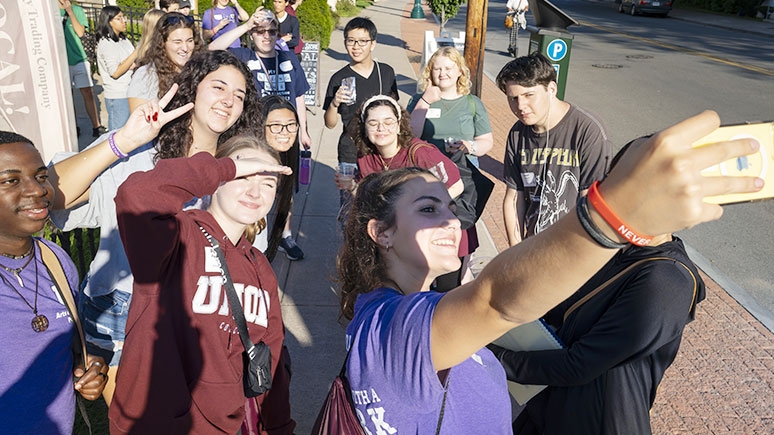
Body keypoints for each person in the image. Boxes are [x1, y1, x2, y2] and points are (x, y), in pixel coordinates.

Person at [336, 109, 763, 433]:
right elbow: (496, 300)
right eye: (428, 209)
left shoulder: (399, 310)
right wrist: (614, 214)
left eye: (450, 207)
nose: (451, 221)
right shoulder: (398, 328)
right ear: (382, 233)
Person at [49, 50, 261, 406]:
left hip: (200, 312)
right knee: (135, 420)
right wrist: (122, 142)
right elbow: (57, 195)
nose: (228, 100)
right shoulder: (141, 151)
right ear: (192, 88)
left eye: (239, 96)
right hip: (124, 308)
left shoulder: (238, 167)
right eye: (219, 87)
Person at [487, 138, 707, 434]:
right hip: (549, 408)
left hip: (598, 422)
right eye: (619, 181)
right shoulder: (613, 249)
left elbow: (580, 364)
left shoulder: (666, 282)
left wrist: (496, 358)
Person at [112, 134, 291, 434]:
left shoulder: (261, 269)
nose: (255, 191)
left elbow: (271, 359)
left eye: (268, 184)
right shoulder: (175, 236)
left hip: (221, 426)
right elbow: (135, 195)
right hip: (152, 424)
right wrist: (222, 168)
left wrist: (279, 427)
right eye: (244, 176)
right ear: (219, 178)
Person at [0, 131, 108, 433]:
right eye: (11, 180)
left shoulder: (56, 261)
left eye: (41, 176)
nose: (37, 190)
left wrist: (87, 369)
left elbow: (63, 349)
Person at [336, 95, 472, 274]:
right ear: (364, 127)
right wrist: (352, 187)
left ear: (399, 125)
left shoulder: (420, 153)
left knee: (446, 295)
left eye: (388, 122)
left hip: (438, 236)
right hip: (399, 242)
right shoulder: (365, 157)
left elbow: (456, 186)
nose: (381, 128)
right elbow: (369, 200)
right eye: (373, 123)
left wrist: (419, 213)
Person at [497, 53, 612, 245]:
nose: (520, 106)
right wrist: (515, 253)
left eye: (528, 95)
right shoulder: (517, 134)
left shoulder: (587, 130)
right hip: (534, 247)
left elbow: (592, 204)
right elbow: (513, 197)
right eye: (513, 98)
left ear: (551, 89)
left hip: (575, 249)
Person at [323, 17, 398, 214]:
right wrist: (334, 102)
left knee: (383, 210)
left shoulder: (386, 72)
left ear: (373, 43)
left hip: (380, 151)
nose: (356, 46)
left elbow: (395, 111)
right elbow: (330, 123)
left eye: (362, 41)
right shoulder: (338, 78)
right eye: (350, 40)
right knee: (351, 212)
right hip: (351, 152)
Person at [209, 9, 312, 149]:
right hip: (255, 136)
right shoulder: (244, 57)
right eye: (260, 31)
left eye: (272, 32)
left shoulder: (288, 58)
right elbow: (212, 49)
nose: (266, 36)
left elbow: (299, 96)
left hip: (285, 132)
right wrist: (246, 26)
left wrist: (304, 131)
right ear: (251, 35)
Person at [408, 46, 493, 168]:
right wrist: (425, 101)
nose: (442, 73)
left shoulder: (473, 103)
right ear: (431, 71)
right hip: (428, 167)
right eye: (437, 69)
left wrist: (468, 146)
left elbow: (486, 141)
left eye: (448, 68)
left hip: (464, 169)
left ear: (460, 71)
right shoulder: (418, 100)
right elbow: (410, 136)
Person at [128, 12, 205, 112]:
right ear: (162, 43)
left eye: (189, 40)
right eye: (177, 42)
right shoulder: (146, 76)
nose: (185, 48)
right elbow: (138, 123)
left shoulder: (197, 70)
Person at [260, 95, 304, 261]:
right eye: (276, 126)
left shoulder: (285, 158)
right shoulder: (251, 164)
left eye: (291, 125)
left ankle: (285, 237)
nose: (285, 132)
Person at [59, 0, 107, 138]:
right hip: (62, 60)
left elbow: (80, 32)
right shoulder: (51, 13)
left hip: (79, 58)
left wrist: (70, 11)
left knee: (88, 93)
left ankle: (96, 126)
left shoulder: (77, 10)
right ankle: (74, 126)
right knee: (68, 96)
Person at [96, 6, 138, 131]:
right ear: (109, 21)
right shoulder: (106, 43)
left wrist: (130, 63)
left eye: (123, 17)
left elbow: (131, 62)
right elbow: (115, 72)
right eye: (119, 18)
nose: (124, 20)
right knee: (117, 134)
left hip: (130, 91)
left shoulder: (124, 40)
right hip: (118, 96)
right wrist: (135, 53)